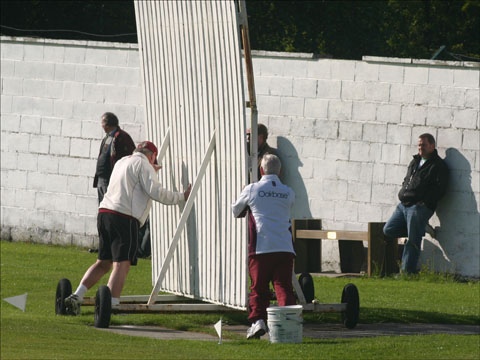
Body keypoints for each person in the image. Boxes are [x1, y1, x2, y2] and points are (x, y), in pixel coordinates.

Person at [64, 141, 192, 315]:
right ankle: (112, 304)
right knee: (121, 264)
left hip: (105, 212)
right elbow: (155, 192)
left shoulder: (122, 161)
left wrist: (149, 172)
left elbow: (132, 184)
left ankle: (77, 295)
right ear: (152, 156)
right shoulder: (144, 165)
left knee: (103, 262)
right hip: (124, 217)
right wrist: (181, 196)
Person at [232, 154, 296, 339]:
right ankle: (288, 324)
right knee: (283, 286)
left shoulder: (252, 189)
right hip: (285, 245)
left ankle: (257, 321)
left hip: (262, 246)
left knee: (259, 288)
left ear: (261, 170)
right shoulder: (288, 191)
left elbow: (236, 210)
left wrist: (244, 192)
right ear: (280, 171)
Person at [383, 133, 448, 274]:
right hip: (404, 205)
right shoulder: (415, 161)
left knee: (413, 240)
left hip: (419, 207)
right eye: (419, 145)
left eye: (424, 145)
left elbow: (440, 189)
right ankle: (421, 228)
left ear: (432, 146)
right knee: (388, 230)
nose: (420, 148)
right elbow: (407, 180)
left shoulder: (438, 165)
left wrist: (423, 203)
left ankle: (407, 273)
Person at [93, 112, 135, 204]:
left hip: (111, 178)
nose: (101, 126)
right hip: (102, 178)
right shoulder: (108, 137)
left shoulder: (122, 137)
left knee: (109, 204)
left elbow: (130, 156)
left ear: (107, 124)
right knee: (102, 204)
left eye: (102, 123)